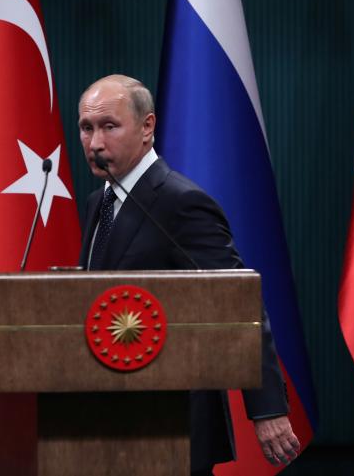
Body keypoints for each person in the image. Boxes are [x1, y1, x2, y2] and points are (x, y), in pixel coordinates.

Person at [76, 74, 300, 475]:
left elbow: (237, 300)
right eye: (87, 128)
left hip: (173, 422)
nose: (95, 143)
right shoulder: (99, 201)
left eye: (109, 126)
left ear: (147, 128)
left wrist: (267, 409)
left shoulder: (181, 202)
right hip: (107, 419)